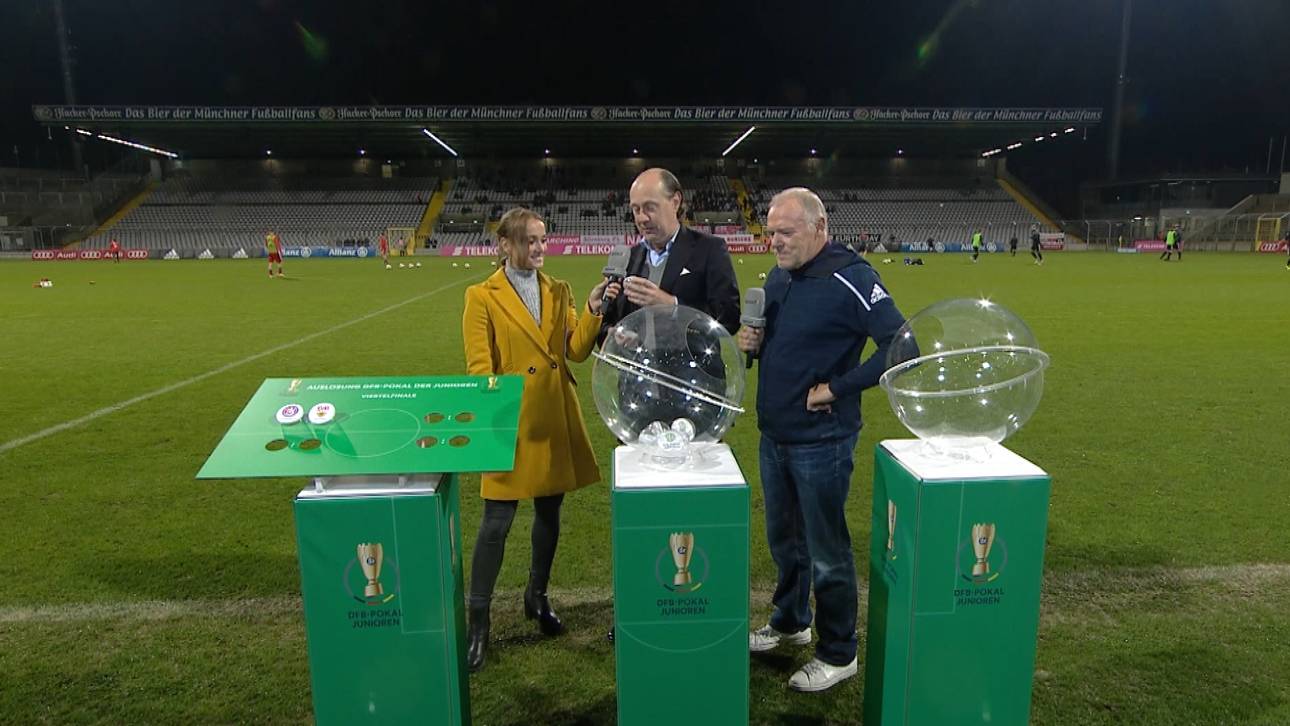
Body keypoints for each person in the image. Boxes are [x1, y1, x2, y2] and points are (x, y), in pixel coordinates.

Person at [737, 188, 906, 693]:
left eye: (786, 233)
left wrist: (839, 387)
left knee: (827, 550)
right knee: (785, 542)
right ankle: (791, 620)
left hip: (822, 442)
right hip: (776, 435)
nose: (775, 242)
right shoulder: (780, 275)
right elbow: (782, 341)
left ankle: (838, 652)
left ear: (819, 227)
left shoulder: (852, 277)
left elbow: (902, 343)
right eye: (770, 232)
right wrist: (754, 343)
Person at [460, 207, 612, 673]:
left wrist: (591, 310)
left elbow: (575, 351)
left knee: (550, 512)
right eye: (529, 240)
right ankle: (478, 622)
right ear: (504, 245)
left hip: (554, 415)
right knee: (496, 524)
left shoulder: (558, 289)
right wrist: (494, 423)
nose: (539, 248)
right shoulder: (480, 295)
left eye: (543, 239)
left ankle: (536, 597)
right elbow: (478, 367)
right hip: (511, 421)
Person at [600, 168, 741, 336]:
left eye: (650, 207)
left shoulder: (709, 249)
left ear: (675, 202)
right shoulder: (628, 258)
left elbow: (729, 319)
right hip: (637, 362)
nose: (642, 218)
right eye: (636, 209)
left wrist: (672, 306)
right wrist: (615, 334)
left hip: (691, 361)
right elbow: (606, 323)